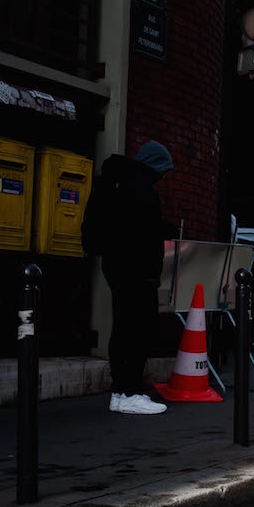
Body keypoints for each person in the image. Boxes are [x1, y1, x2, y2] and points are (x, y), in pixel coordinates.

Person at [84, 141, 176, 415]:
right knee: (139, 332)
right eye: (163, 170)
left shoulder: (118, 182)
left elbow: (126, 225)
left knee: (123, 330)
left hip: (119, 268)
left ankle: (119, 392)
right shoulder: (139, 187)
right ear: (154, 166)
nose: (164, 176)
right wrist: (163, 229)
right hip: (138, 271)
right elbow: (141, 229)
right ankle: (131, 393)